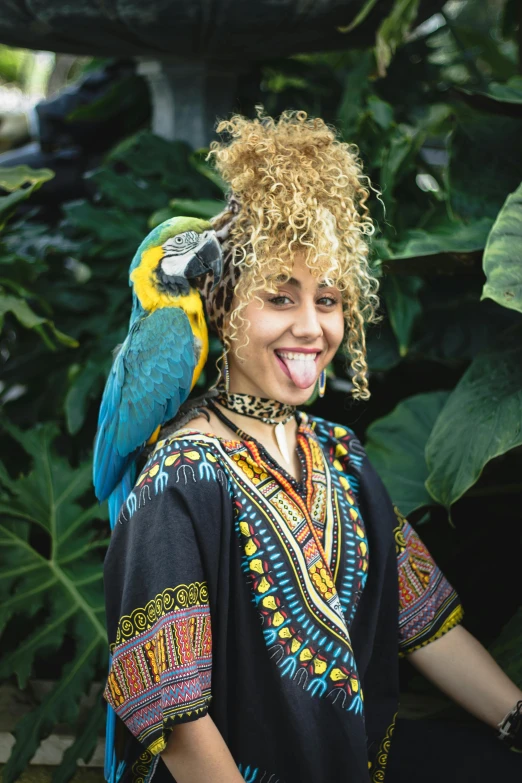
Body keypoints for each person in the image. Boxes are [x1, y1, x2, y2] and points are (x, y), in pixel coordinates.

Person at [102, 110, 522, 783]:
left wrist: (516, 719)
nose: (309, 325)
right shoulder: (181, 478)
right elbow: (176, 721)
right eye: (279, 297)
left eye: (327, 299)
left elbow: (425, 627)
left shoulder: (339, 453)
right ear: (222, 303)